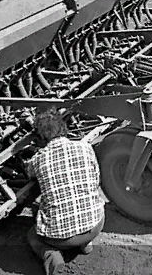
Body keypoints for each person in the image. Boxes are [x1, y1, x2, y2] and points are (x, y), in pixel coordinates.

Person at [26, 109, 106, 275]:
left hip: (60, 238)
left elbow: (29, 172)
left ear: (41, 139)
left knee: (33, 235)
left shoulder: (39, 158)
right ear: (63, 129)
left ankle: (54, 261)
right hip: (96, 224)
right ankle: (85, 244)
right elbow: (96, 180)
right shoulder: (85, 147)